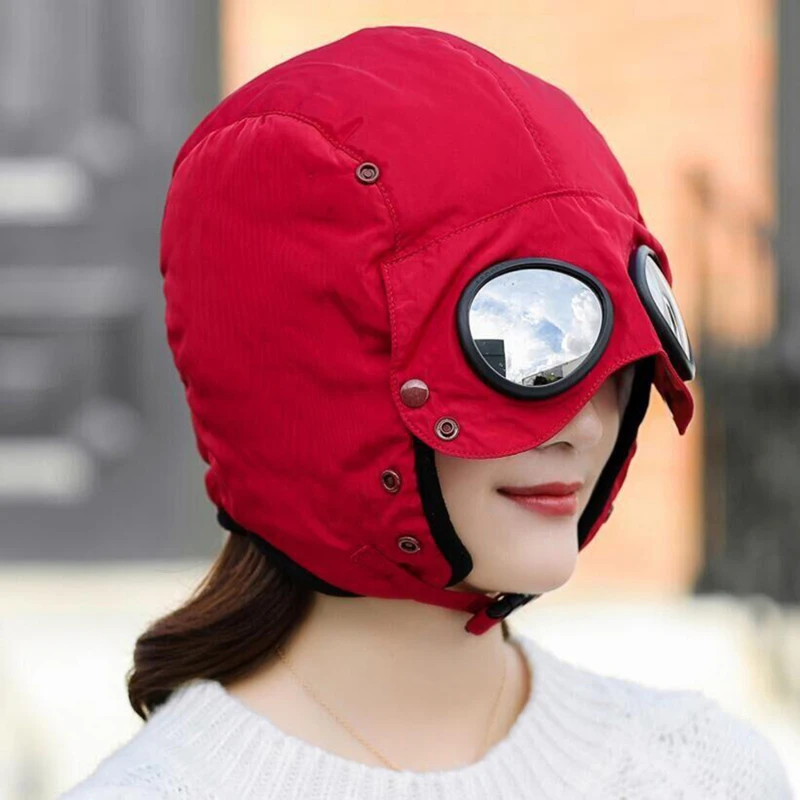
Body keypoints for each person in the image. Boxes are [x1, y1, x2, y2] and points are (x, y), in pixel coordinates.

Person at [61, 24, 793, 800]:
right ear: (312, 386)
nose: (583, 426)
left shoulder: (705, 772)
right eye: (521, 343)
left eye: (612, 352)